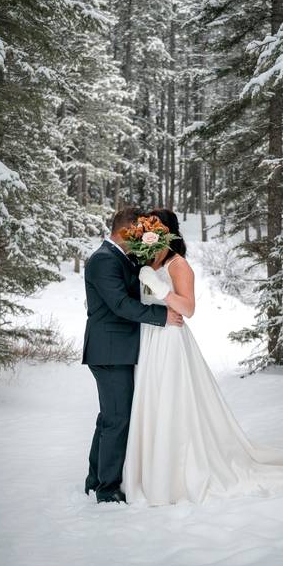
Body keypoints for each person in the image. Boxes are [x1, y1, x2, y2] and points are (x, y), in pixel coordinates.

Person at [123, 208, 283, 505]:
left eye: (156, 226)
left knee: (172, 404)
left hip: (171, 342)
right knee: (155, 403)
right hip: (151, 340)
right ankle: (153, 471)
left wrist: (160, 288)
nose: (151, 231)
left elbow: (188, 309)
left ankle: (175, 475)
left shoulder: (178, 265)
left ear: (167, 233)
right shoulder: (150, 261)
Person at [82, 206, 184, 503]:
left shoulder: (120, 256)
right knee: (118, 419)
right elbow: (120, 305)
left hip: (116, 349)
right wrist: (161, 315)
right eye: (138, 230)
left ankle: (95, 478)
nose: (142, 234)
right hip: (110, 351)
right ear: (126, 230)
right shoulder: (103, 260)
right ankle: (108, 489)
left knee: (109, 418)